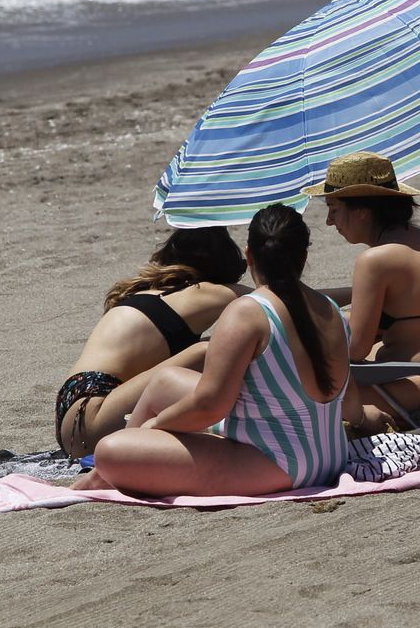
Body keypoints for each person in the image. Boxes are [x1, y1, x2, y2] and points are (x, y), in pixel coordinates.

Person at [78, 204, 350, 497]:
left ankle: (102, 473)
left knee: (109, 451)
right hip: (330, 455)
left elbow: (210, 406)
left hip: (279, 464)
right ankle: (102, 473)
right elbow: (346, 399)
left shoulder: (247, 312)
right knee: (164, 381)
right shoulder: (330, 309)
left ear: (249, 255)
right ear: (303, 256)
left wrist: (157, 424)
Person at [54, 227, 250, 460]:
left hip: (77, 408)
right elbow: (272, 303)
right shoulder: (207, 291)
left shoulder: (154, 292)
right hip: (94, 413)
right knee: (211, 349)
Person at [304, 151, 420, 433]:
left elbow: (355, 349)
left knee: (300, 397)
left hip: (419, 392)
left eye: (333, 208)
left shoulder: (375, 261)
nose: (329, 221)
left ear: (363, 212)